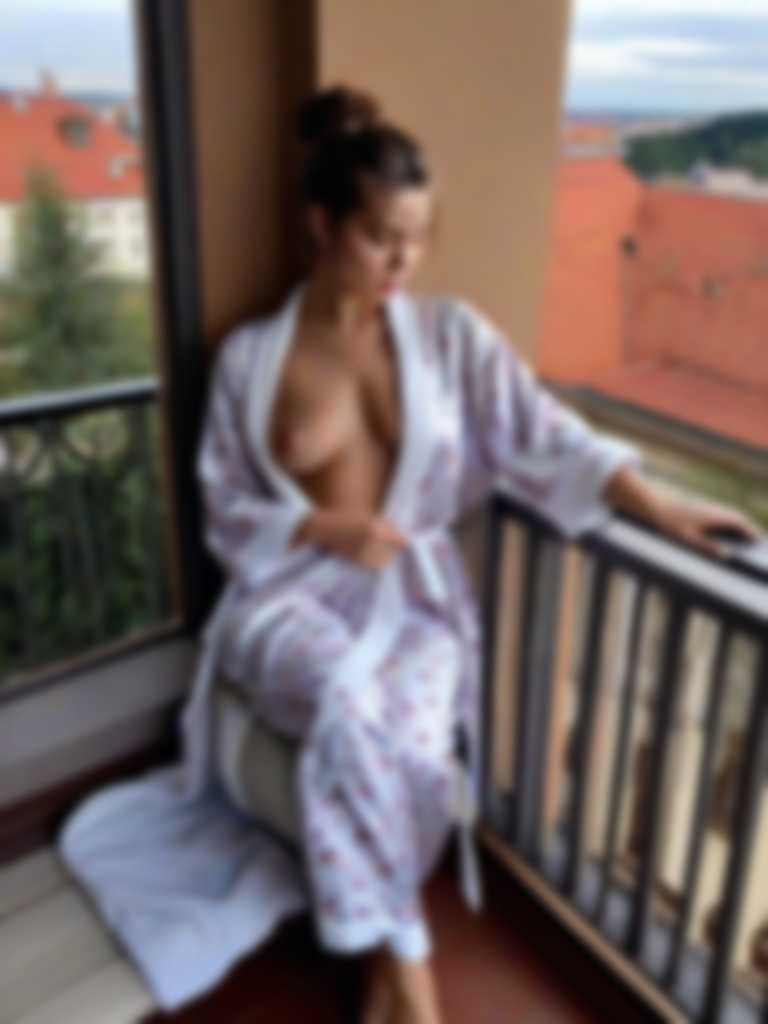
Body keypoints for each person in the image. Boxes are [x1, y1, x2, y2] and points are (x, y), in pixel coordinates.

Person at [58, 83, 761, 1024]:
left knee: (419, 750)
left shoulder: (449, 337)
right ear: (322, 224)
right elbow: (224, 504)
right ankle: (412, 973)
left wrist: (656, 503)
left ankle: (382, 971)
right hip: (286, 597)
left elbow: (544, 429)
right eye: (381, 236)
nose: (404, 260)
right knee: (349, 706)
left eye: (419, 238)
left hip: (415, 603)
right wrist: (321, 528)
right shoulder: (252, 357)